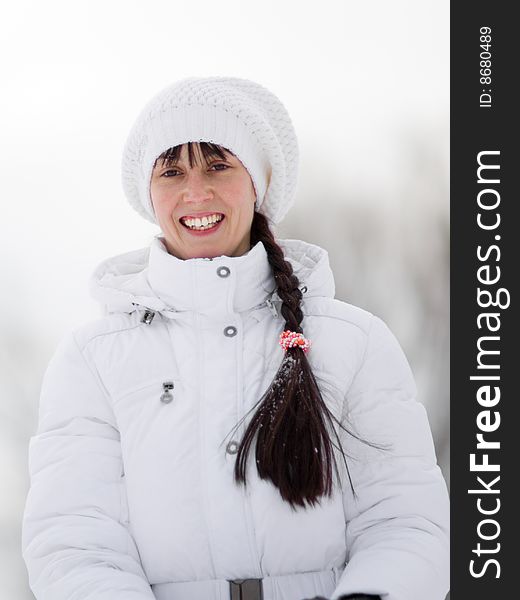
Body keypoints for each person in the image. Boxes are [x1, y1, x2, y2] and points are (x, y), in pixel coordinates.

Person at [21, 76, 450, 600]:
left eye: (218, 165)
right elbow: (74, 541)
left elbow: (404, 518)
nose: (194, 192)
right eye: (171, 171)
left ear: (259, 183)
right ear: (147, 193)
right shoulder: (93, 359)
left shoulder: (355, 342)